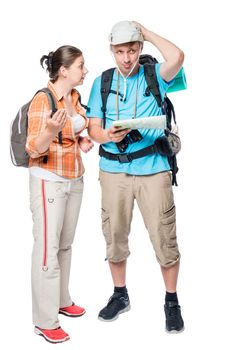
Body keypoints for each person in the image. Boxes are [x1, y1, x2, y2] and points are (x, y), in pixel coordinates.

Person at [87, 21, 185, 332]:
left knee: (164, 236)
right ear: (111, 51)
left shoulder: (155, 76)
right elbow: (93, 128)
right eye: (120, 51)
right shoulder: (102, 82)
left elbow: (178, 56)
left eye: (132, 50)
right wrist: (106, 136)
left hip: (153, 168)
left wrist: (146, 32)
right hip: (113, 170)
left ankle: (172, 301)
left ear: (139, 49)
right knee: (114, 236)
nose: (127, 58)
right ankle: (120, 295)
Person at [26, 45, 94, 343]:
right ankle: (44, 320)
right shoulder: (43, 100)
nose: (86, 70)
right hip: (48, 180)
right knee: (47, 250)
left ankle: (62, 299)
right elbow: (34, 148)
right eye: (81, 65)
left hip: (74, 178)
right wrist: (49, 133)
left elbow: (75, 124)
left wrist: (80, 139)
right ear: (64, 70)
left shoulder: (74, 97)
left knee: (65, 246)